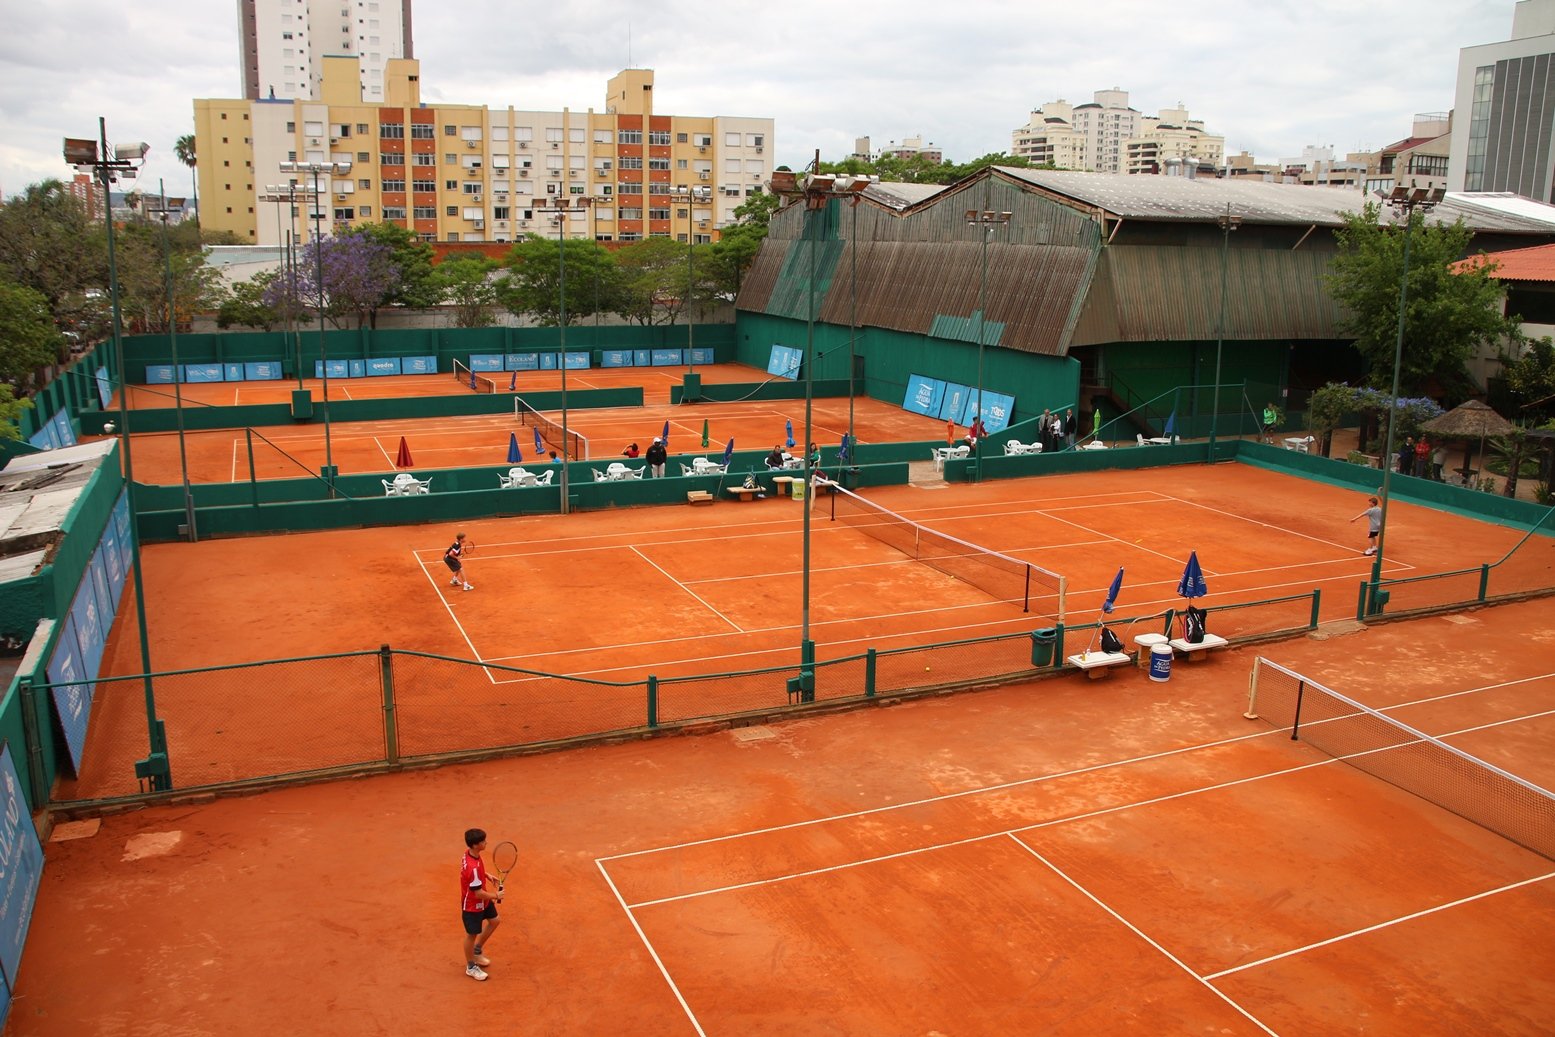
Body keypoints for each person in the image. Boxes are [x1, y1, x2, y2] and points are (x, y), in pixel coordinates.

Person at [460, 828, 503, 982]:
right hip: (472, 905)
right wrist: (496, 895)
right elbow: (477, 893)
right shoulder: (473, 868)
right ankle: (471, 967)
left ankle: (477, 951)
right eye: (483, 841)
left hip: (482, 901)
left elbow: (476, 875)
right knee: (471, 935)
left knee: (495, 921)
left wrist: (487, 875)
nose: (486, 842)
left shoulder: (470, 854)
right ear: (475, 845)